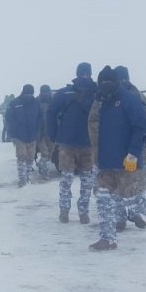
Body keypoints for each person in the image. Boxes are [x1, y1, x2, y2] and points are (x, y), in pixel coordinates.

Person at [88, 66, 146, 251]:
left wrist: (133, 153)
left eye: (108, 82)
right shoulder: (102, 101)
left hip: (127, 159)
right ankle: (108, 238)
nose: (105, 86)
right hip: (105, 160)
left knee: (131, 199)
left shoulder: (129, 99)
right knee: (103, 197)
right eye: (101, 83)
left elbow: (140, 127)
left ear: (116, 82)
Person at [47, 63, 97, 223]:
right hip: (67, 144)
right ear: (77, 74)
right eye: (82, 73)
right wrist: (54, 135)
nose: (85, 76)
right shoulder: (65, 92)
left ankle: (83, 211)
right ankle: (64, 210)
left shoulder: (96, 92)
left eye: (87, 74)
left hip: (88, 145)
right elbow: (51, 113)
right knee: (67, 179)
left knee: (87, 181)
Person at [114, 65, 146, 231]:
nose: (123, 81)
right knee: (119, 182)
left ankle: (135, 212)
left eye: (125, 78)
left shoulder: (139, 96)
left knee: (141, 180)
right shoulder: (110, 97)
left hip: (139, 146)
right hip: (118, 146)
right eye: (120, 78)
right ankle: (120, 216)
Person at [6, 85, 42, 187]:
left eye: (30, 93)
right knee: (21, 156)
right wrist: (14, 131)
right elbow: (9, 118)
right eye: (27, 93)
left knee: (30, 157)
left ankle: (28, 177)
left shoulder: (36, 103)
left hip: (32, 135)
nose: (28, 95)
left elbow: (40, 116)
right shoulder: (15, 103)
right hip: (19, 136)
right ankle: (22, 180)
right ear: (23, 92)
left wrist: (37, 127)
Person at [36, 85, 55, 178]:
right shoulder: (36, 102)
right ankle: (45, 173)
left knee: (50, 153)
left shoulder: (54, 102)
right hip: (40, 133)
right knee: (45, 153)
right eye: (43, 92)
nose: (45, 94)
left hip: (51, 132)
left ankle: (41, 164)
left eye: (47, 92)